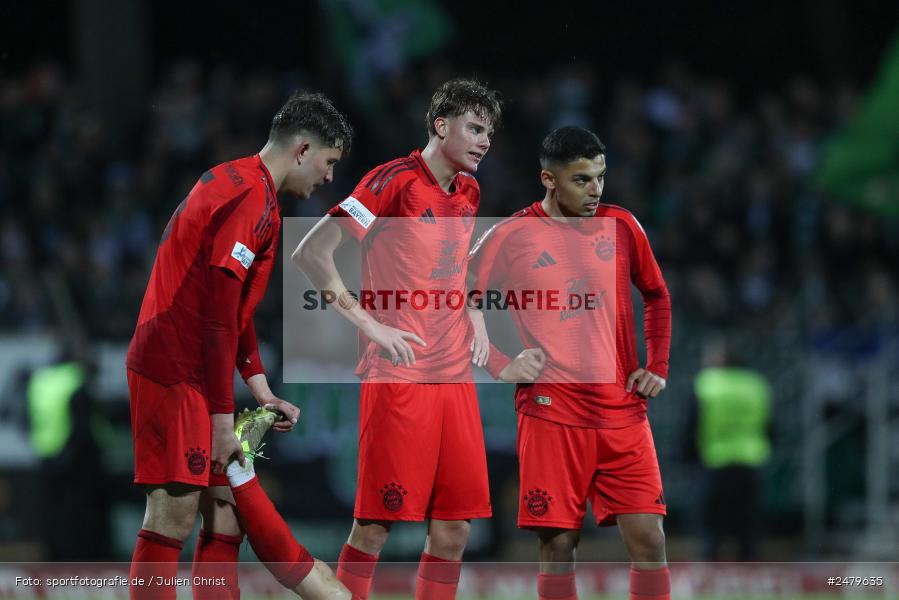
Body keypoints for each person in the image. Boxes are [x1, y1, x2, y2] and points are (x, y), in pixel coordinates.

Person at [126, 91, 353, 599]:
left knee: (225, 511)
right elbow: (216, 322)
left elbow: (232, 308)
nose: (329, 177)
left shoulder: (243, 184)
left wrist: (260, 387)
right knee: (173, 511)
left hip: (189, 364)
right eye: (329, 161)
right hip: (172, 365)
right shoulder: (250, 199)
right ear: (301, 150)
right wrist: (223, 422)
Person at [293, 78, 502, 600]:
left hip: (454, 378)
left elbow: (456, 271)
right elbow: (311, 254)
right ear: (440, 125)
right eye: (474, 128)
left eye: (489, 134)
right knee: (376, 526)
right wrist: (371, 325)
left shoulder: (470, 192)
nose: (484, 142)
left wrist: (474, 316)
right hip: (399, 375)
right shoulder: (391, 182)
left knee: (455, 529)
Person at [468, 126, 673, 600]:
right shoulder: (511, 234)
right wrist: (500, 363)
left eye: (600, 177)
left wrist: (657, 364)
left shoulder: (623, 226)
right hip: (551, 412)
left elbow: (657, 295)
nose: (596, 189)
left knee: (650, 540)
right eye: (581, 179)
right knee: (559, 545)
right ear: (549, 179)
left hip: (622, 411)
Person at [684, 335, 772, 561]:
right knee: (748, 531)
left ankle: (709, 583)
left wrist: (688, 456)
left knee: (711, 530)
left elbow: (693, 424)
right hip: (750, 462)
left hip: (715, 461)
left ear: (720, 359)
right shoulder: (756, 385)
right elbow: (770, 426)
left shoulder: (706, 385)